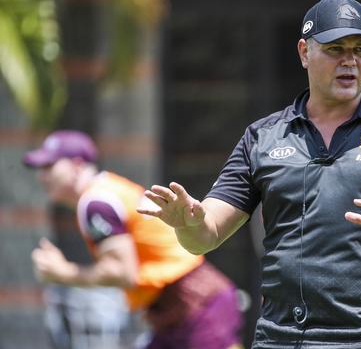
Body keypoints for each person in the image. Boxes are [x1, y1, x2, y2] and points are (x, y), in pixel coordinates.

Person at [138, 0, 361, 349]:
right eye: (335, 49)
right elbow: (206, 235)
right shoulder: (262, 137)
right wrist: (187, 223)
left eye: (360, 50)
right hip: (282, 338)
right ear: (303, 52)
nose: (350, 61)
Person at [23, 130, 243, 349]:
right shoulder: (107, 189)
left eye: (49, 166)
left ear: (77, 165)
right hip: (182, 306)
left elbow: (121, 272)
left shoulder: (95, 202)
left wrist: (65, 273)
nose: (42, 176)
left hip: (195, 306)